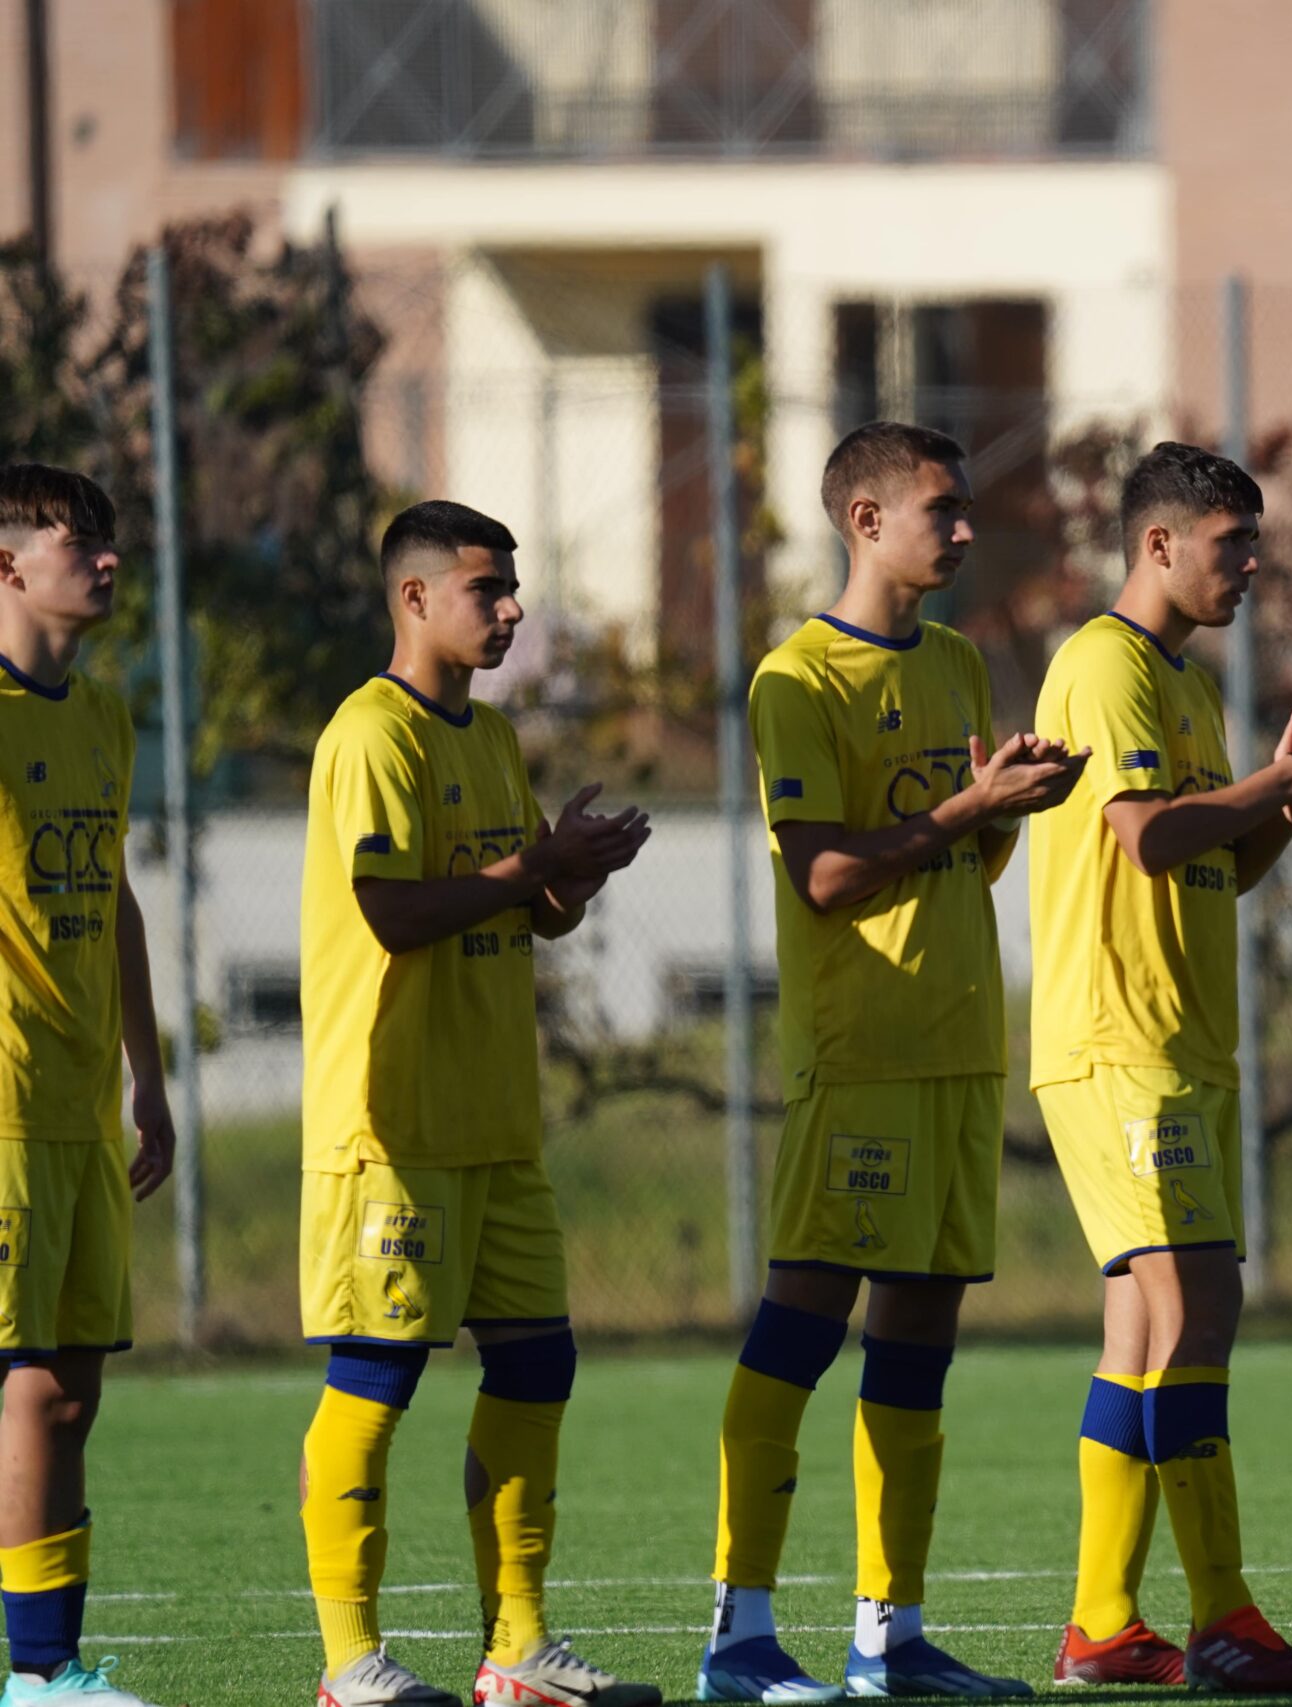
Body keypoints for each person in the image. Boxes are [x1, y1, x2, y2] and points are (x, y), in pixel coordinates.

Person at [697, 423, 1089, 1703]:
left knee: (917, 1346)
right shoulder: (794, 680)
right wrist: (968, 809)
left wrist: (1007, 801)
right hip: (858, 1054)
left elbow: (956, 861)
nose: (966, 530)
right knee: (800, 1333)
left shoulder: (963, 666)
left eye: (966, 508)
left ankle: (890, 1639)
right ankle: (739, 1637)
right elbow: (822, 874)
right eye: (943, 509)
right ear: (863, 521)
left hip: (956, 1050)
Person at [1033, 442, 1292, 1691]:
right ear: (1157, 545)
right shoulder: (1101, 667)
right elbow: (1143, 840)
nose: (1250, 567)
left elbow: (1216, 863)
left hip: (1179, 1044)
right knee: (1202, 1306)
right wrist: (1280, 777)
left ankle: (1102, 1623)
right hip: (1120, 1042)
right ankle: (1219, 1618)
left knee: (1152, 1325)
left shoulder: (1182, 686)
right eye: (1229, 544)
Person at [297, 501, 656, 1707]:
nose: (509, 610)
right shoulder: (369, 736)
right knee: (377, 1379)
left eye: (512, 591)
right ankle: (349, 1663)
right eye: (485, 590)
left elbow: (516, 907)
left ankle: (517, 1650)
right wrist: (530, 871)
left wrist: (569, 884)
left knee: (538, 1367)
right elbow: (392, 911)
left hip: (498, 1122)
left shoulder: (492, 741)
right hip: (392, 1126)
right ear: (413, 599)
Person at [0, 465, 174, 1707]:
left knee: (68, 1395)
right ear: (8, 565)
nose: (107, 558)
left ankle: (51, 1666)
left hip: (78, 1105)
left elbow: (111, 900)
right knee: (17, 1381)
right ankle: (35, 1673)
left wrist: (147, 1077)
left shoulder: (106, 716)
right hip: (0, 1107)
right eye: (79, 539)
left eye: (111, 539)